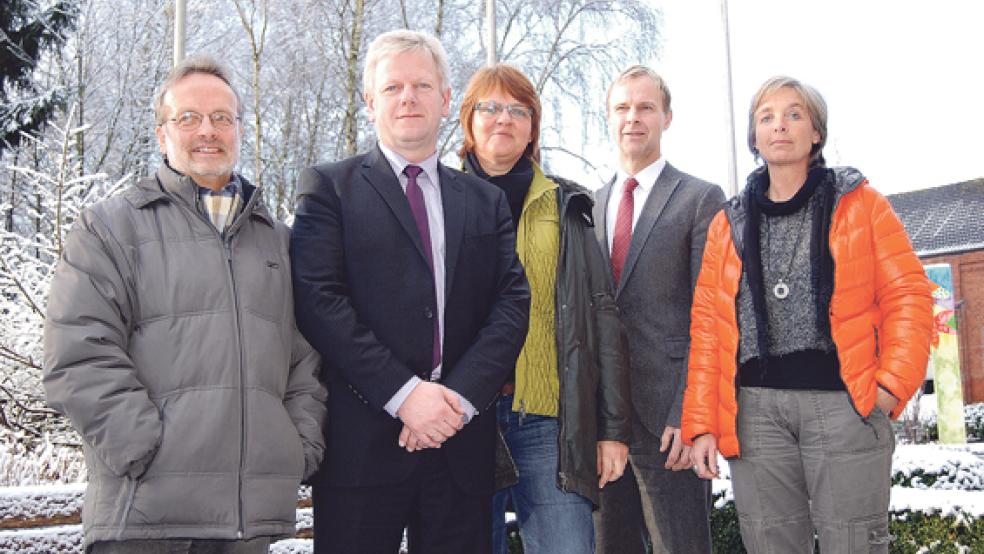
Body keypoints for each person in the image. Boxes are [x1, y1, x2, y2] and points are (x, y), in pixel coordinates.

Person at [42, 55, 327, 554]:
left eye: (222, 118)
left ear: (239, 129)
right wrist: (142, 449)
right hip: (145, 518)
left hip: (247, 523)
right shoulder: (110, 228)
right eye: (188, 118)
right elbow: (78, 354)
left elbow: (305, 361)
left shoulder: (279, 242)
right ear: (161, 134)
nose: (207, 131)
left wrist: (294, 447)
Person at [290, 31, 530, 554]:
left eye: (423, 85)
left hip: (459, 446)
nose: (408, 97)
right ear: (370, 100)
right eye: (393, 86)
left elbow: (512, 306)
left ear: (446, 100)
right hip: (362, 447)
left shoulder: (485, 201)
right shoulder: (329, 188)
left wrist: (456, 402)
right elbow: (319, 300)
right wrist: (406, 396)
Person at [682, 75, 934, 553]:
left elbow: (909, 295)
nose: (780, 126)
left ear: (816, 132)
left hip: (844, 405)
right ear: (753, 137)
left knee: (855, 545)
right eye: (767, 117)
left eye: (794, 114)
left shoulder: (862, 206)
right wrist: (702, 423)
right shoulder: (727, 222)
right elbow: (708, 328)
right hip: (756, 415)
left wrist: (889, 388)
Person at [457, 64, 631, 554]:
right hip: (462, 419)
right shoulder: (438, 199)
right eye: (490, 107)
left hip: (547, 421)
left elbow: (602, 317)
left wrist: (612, 428)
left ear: (533, 126)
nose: (503, 119)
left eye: (518, 110)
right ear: (469, 120)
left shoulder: (567, 204)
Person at [592, 65, 724, 554]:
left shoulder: (699, 199)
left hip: (671, 424)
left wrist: (691, 412)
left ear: (666, 117)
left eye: (646, 106)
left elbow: (711, 315)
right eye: (622, 108)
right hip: (606, 426)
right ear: (609, 118)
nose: (633, 117)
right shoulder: (590, 205)